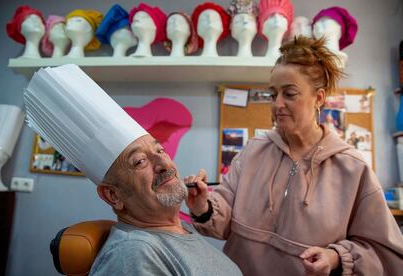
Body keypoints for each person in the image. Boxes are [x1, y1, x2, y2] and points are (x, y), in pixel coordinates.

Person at [185, 36, 403, 275]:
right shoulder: (253, 151)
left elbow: (385, 254)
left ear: (318, 98)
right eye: (273, 94)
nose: (277, 104)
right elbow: (224, 221)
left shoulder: (352, 168)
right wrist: (203, 206)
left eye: (289, 94)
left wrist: (335, 257)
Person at [23, 64, 242, 276]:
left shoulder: (181, 228)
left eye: (160, 149)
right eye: (139, 161)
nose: (165, 163)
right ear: (113, 195)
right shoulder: (134, 255)